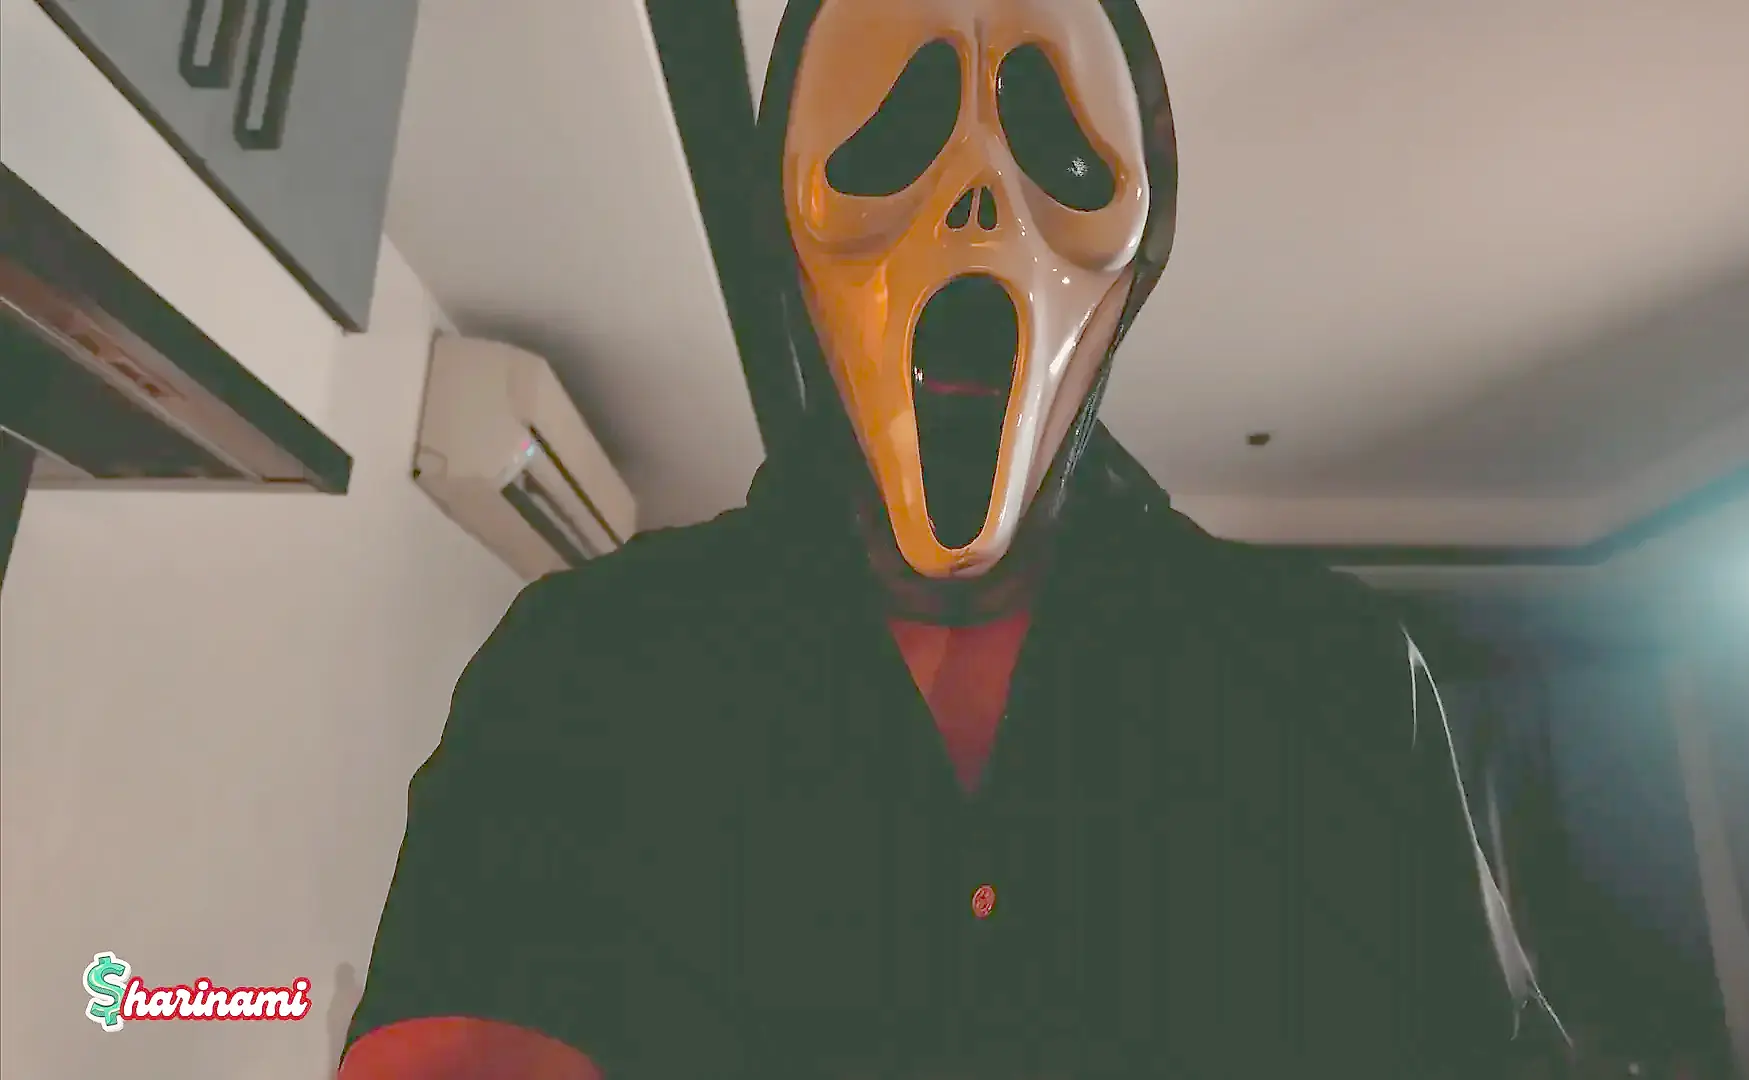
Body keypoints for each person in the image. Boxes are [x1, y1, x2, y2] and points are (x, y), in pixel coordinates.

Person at [340, 1, 1554, 1076]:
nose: (978, 205)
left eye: (1062, 155)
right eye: (890, 138)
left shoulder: (1331, 673)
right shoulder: (587, 670)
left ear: (1143, 240)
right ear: (783, 218)